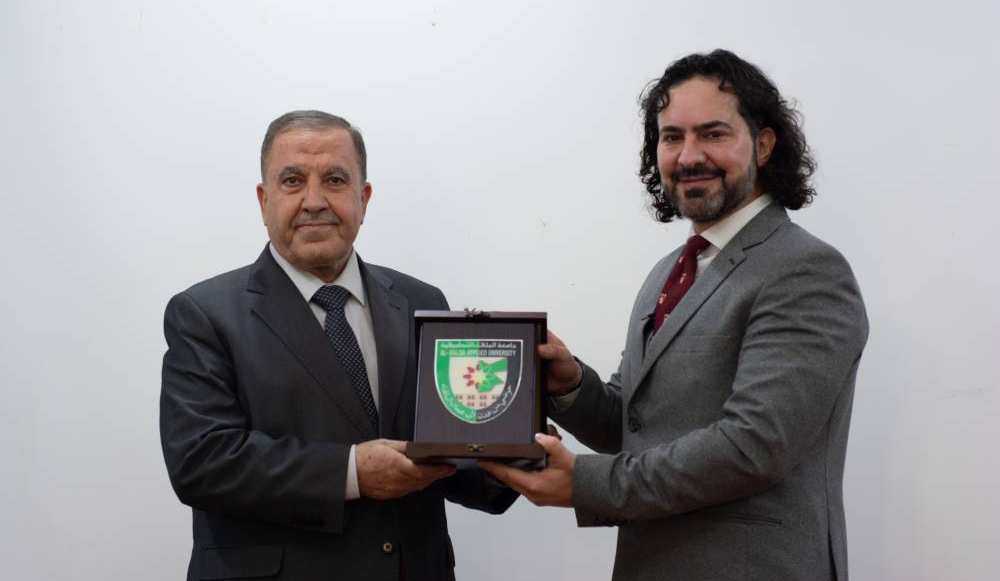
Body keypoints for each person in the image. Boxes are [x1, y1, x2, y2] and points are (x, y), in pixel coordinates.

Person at [481, 50, 868, 580]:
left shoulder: (805, 270)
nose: (688, 156)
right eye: (672, 137)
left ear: (763, 143)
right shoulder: (669, 272)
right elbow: (637, 427)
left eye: (713, 134)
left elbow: (754, 447)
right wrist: (569, 385)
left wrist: (583, 483)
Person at [160, 111, 515, 581]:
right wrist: (352, 472)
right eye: (293, 181)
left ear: (363, 199)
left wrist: (505, 452)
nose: (314, 201)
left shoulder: (422, 301)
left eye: (334, 180)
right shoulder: (203, 314)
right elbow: (202, 463)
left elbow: (443, 447)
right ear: (264, 200)